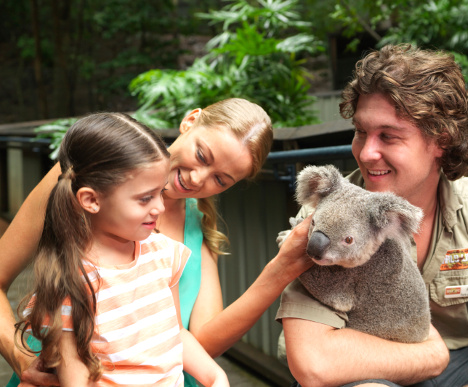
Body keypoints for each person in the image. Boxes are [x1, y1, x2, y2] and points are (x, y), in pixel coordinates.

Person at [276, 44, 468, 386]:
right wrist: (427, 356)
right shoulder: (326, 212)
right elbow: (314, 363)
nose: (366, 153)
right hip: (359, 367)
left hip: (456, 365)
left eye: (389, 136)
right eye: (361, 131)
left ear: (440, 140)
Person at [0, 98, 312, 386]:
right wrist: (21, 359)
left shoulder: (193, 230)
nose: (197, 179)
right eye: (202, 155)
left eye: (220, 180)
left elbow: (189, 340)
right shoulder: (90, 171)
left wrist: (278, 273)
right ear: (190, 121)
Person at [14, 112, 229, 386]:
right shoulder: (70, 281)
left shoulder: (164, 253)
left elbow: (173, 331)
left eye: (159, 192)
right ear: (91, 200)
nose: (160, 208)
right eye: (144, 199)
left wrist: (215, 375)